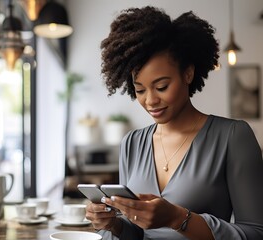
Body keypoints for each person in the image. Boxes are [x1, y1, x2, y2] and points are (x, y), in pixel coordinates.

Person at [85, 6, 263, 240]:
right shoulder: (132, 144)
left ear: (188, 74)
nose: (150, 101)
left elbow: (256, 233)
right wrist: (113, 226)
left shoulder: (232, 137)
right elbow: (137, 234)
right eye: (139, 90)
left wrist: (176, 218)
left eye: (161, 87)